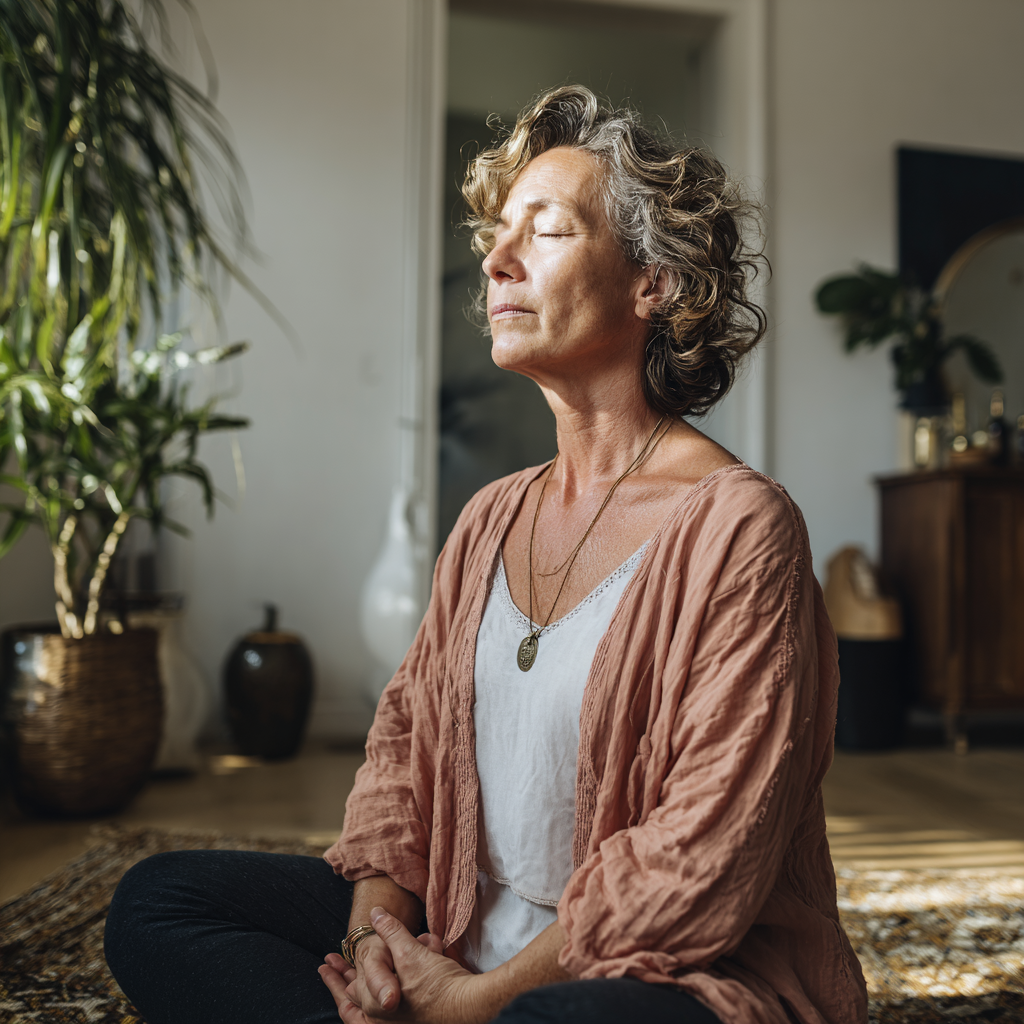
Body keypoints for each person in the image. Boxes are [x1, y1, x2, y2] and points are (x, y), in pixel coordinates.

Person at [104, 86, 868, 1024]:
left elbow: (702, 857)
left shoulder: (741, 529)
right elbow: (399, 755)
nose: (497, 262)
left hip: (660, 969)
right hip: (460, 927)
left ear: (653, 282)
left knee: (549, 1023)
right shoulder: (489, 520)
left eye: (544, 233)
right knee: (161, 902)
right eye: (496, 237)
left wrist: (472, 1002)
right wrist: (373, 947)